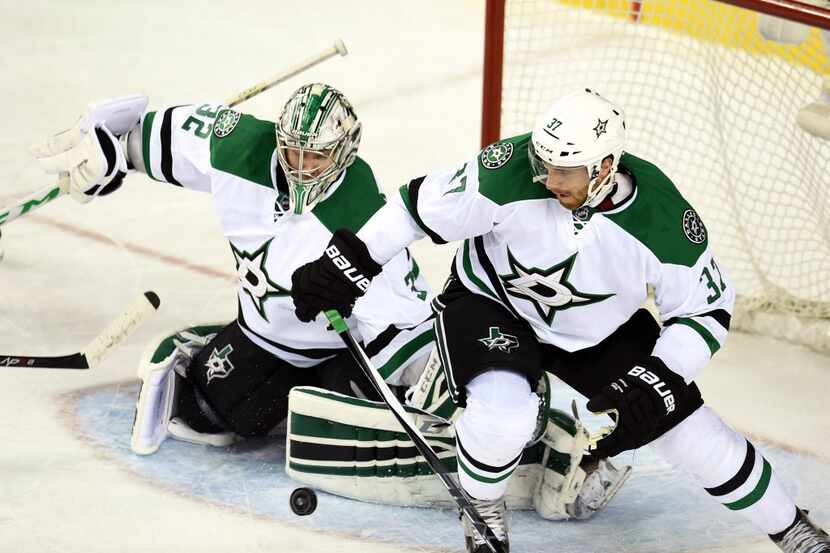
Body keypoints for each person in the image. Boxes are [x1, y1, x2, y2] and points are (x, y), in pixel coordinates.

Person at [290, 89, 830, 553]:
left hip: (598, 331)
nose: (549, 179)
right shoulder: (508, 173)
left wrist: (661, 375)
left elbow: (706, 310)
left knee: (692, 433)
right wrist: (349, 263)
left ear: (606, 168)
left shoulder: (663, 220)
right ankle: (482, 511)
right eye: (545, 164)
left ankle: (791, 529)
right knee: (504, 413)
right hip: (491, 305)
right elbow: (415, 208)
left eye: (565, 170)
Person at [29, 83, 435, 453]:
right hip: (262, 333)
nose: (302, 165)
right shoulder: (239, 147)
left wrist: (440, 393)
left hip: (338, 344)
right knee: (208, 412)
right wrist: (114, 150)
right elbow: (160, 139)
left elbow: (412, 320)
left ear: (344, 151)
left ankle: (340, 383)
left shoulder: (363, 219)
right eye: (294, 150)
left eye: (317, 155)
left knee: (350, 421)